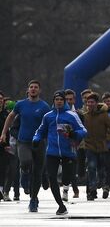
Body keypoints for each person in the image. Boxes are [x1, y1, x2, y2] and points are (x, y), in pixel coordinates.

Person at [32, 90, 87, 215]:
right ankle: (60, 205)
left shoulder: (71, 115)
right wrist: (36, 139)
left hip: (68, 151)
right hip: (52, 151)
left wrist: (73, 134)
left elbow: (83, 131)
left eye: (61, 100)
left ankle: (66, 184)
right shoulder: (48, 116)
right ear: (53, 101)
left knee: (67, 178)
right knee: (52, 177)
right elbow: (40, 131)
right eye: (56, 100)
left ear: (64, 101)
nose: (59, 102)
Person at [0, 80, 51, 212]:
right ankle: (24, 173)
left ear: (39, 90)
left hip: (39, 142)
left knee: (38, 172)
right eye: (31, 87)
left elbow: (49, 124)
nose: (33, 89)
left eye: (36, 87)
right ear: (28, 90)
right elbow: (10, 117)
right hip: (24, 141)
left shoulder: (44, 106)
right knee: (26, 161)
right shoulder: (21, 104)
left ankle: (33, 199)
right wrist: (4, 133)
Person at [81, 92, 110, 201]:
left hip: (102, 146)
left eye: (92, 102)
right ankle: (92, 189)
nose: (90, 104)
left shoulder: (103, 115)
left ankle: (103, 183)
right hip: (89, 145)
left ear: (96, 103)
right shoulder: (85, 116)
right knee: (91, 167)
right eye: (88, 102)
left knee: (101, 169)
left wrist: (108, 138)